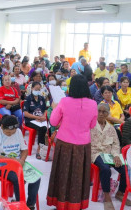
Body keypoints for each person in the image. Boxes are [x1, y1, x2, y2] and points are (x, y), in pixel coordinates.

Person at [47, 75, 98, 209]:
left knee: (62, 173)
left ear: (72, 87)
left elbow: (53, 122)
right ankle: (77, 204)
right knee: (79, 175)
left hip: (65, 143)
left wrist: (54, 107)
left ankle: (61, 203)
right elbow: (92, 125)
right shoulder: (93, 104)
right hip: (83, 145)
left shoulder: (64, 102)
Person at [0, 115, 40, 210]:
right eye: (8, 133)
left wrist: (22, 160)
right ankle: (19, 204)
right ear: (2, 127)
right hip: (2, 165)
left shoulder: (18, 132)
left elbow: (24, 150)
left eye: (12, 133)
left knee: (36, 178)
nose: (10, 135)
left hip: (18, 163)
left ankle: (29, 205)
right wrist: (15, 161)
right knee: (18, 178)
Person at [90, 103, 130, 210]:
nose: (101, 114)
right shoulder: (90, 125)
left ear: (108, 114)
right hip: (95, 153)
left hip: (109, 154)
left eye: (104, 112)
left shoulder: (111, 129)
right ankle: (107, 196)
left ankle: (120, 192)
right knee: (105, 169)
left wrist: (116, 155)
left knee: (125, 168)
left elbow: (116, 144)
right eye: (99, 111)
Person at [23, 81, 48, 159]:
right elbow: (25, 113)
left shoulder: (41, 98)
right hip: (30, 120)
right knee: (42, 128)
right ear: (32, 88)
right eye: (35, 89)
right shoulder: (28, 99)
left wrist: (43, 116)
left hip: (40, 119)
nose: (37, 91)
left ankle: (46, 147)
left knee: (49, 127)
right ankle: (39, 150)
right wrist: (36, 118)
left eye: (39, 89)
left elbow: (45, 110)